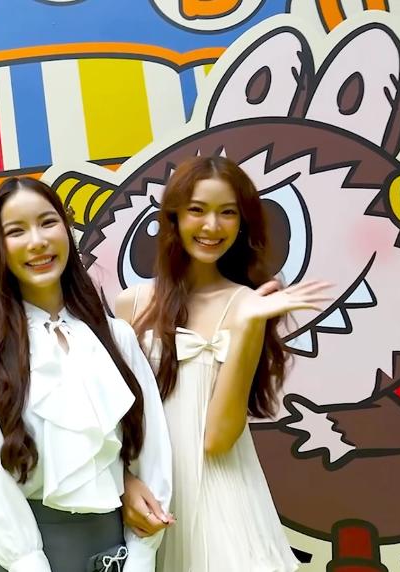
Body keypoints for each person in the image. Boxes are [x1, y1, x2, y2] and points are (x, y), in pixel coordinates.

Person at [0, 177, 173, 571]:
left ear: (67, 229)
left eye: (47, 222)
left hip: (112, 551)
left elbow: (151, 456)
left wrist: (141, 556)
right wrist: (27, 562)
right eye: (16, 231)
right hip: (14, 559)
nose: (37, 241)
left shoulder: (116, 337)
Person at [115, 156, 329, 571]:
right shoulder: (132, 304)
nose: (212, 226)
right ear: (174, 217)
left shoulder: (249, 305)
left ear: (243, 224)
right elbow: (116, 421)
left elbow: (217, 439)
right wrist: (125, 483)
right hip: (151, 500)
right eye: (197, 210)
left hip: (223, 501)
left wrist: (248, 325)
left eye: (227, 213)